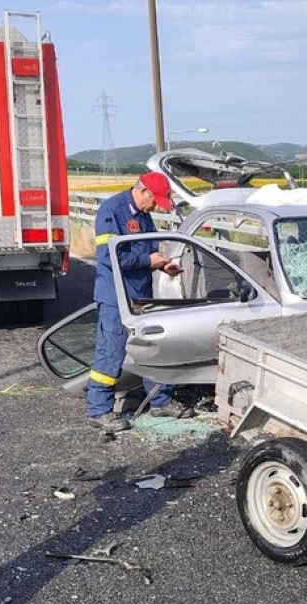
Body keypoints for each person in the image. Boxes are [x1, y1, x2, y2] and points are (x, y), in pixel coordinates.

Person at [87, 172, 194, 432]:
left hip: (141, 294)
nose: (156, 206)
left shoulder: (144, 215)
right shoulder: (111, 211)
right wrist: (149, 262)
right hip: (116, 295)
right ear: (143, 190)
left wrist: (163, 265)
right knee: (111, 352)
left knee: (151, 347)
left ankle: (160, 401)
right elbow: (108, 257)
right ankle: (99, 411)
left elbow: (147, 251)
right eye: (154, 200)